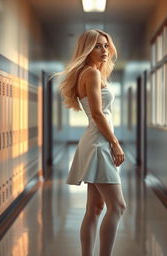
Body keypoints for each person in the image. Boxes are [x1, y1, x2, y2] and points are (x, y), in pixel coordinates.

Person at [55, 29, 126, 256]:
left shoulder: (89, 73)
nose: (104, 50)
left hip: (94, 141)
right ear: (87, 49)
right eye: (97, 46)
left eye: (106, 45)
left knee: (95, 208)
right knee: (117, 206)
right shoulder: (91, 74)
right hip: (99, 144)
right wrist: (115, 143)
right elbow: (97, 114)